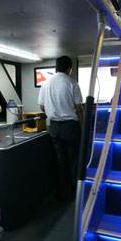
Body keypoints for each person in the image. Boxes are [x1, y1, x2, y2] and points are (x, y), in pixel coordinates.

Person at [38, 56, 83, 199]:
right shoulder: (72, 83)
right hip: (70, 126)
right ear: (69, 69)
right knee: (74, 159)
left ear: (56, 67)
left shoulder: (45, 84)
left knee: (60, 160)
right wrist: (82, 128)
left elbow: (42, 107)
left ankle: (62, 193)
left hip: (54, 127)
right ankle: (76, 192)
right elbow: (79, 109)